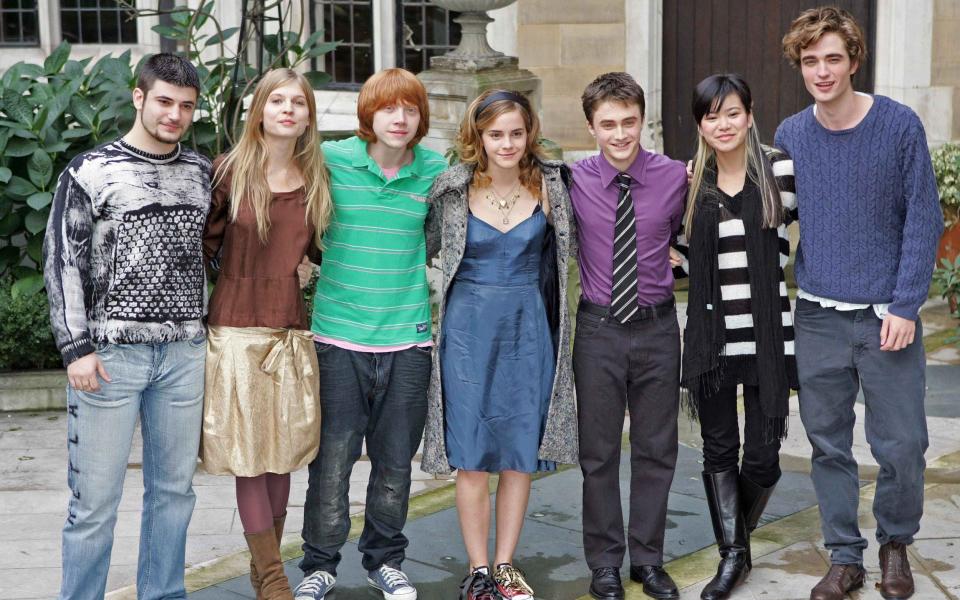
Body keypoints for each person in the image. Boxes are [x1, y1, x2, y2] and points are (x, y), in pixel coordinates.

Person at [775, 7, 942, 600]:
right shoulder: (792, 134)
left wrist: (905, 303)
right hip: (818, 314)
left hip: (884, 317)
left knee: (903, 444)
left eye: (833, 59)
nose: (822, 71)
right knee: (827, 444)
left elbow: (924, 216)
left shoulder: (898, 126)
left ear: (853, 61)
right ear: (801, 65)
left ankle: (895, 546)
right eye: (811, 61)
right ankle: (844, 558)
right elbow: (775, 218)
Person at [42, 53, 211, 600]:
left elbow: (214, 251)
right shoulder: (89, 172)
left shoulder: (202, 171)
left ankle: (164, 593)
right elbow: (61, 263)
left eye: (186, 105)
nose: (175, 115)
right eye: (164, 101)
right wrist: (75, 350)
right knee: (93, 503)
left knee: (174, 494)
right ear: (139, 97)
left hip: (184, 354)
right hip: (110, 358)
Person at [295, 68, 447, 600]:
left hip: (407, 340)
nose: (399, 119)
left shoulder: (436, 171)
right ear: (368, 116)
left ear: (421, 118)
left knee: (393, 465)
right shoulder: (332, 161)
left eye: (410, 109)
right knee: (332, 461)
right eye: (388, 109)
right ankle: (320, 563)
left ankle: (385, 560)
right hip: (338, 339)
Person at [420, 89, 579, 600]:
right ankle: (478, 570)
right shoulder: (450, 189)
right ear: (478, 137)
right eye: (496, 134)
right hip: (467, 332)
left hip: (528, 329)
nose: (507, 143)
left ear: (529, 132)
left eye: (515, 132)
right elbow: (416, 247)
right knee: (471, 455)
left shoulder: (555, 187)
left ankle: (507, 565)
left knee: (518, 453)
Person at [200, 68, 332, 599]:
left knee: (281, 458)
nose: (287, 110)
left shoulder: (318, 181)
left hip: (289, 332)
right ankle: (275, 582)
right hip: (234, 331)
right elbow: (201, 249)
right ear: (259, 110)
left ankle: (265, 570)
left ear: (308, 116)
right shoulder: (228, 173)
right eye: (276, 100)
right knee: (250, 460)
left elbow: (326, 253)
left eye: (297, 103)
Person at [677, 73, 798, 600]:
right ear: (700, 124)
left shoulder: (779, 170)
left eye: (732, 113)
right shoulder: (692, 183)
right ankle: (733, 558)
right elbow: (682, 260)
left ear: (749, 113)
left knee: (763, 458)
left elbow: (798, 242)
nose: (722, 124)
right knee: (718, 448)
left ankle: (735, 544)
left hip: (769, 335)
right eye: (711, 115)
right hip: (712, 341)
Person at [569, 72, 687, 600]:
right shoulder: (570, 180)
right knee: (598, 453)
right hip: (598, 330)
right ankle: (605, 563)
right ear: (591, 126)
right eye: (609, 124)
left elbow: (693, 239)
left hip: (659, 328)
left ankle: (648, 559)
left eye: (630, 122)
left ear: (643, 119)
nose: (620, 134)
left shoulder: (675, 177)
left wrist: (679, 262)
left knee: (657, 448)